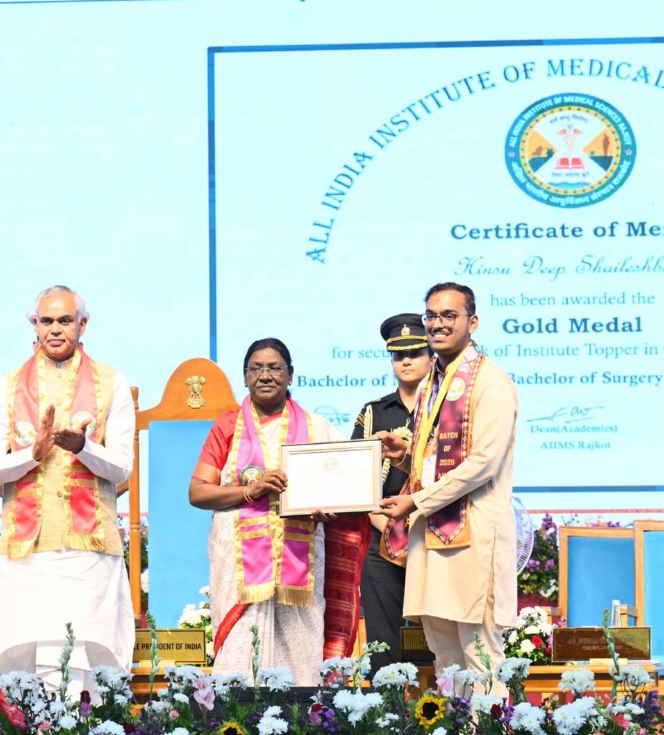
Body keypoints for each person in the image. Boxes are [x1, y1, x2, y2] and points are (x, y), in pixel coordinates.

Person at [0, 286, 134, 690]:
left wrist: (83, 447)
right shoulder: (9, 385)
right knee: (26, 666)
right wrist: (33, 454)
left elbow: (122, 467)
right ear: (35, 324)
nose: (56, 329)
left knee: (83, 660)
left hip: (88, 550)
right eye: (47, 321)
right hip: (26, 551)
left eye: (65, 320)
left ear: (83, 325)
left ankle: (81, 730)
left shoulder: (111, 382)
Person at [188, 338, 366, 681]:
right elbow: (197, 492)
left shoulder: (317, 427)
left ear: (290, 374)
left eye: (274, 367)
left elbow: (343, 484)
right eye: (256, 368)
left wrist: (329, 507)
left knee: (300, 649)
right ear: (245, 377)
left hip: (300, 558)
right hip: (239, 563)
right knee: (241, 649)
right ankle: (236, 709)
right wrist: (249, 491)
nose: (265, 375)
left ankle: (301, 710)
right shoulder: (227, 426)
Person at [378, 282, 519, 689]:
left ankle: (488, 731)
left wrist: (415, 501)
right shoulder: (431, 383)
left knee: (479, 652)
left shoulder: (490, 381)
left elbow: (483, 464)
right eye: (432, 316)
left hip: (474, 537)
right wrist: (404, 454)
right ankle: (456, 732)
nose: (438, 324)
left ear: (472, 322)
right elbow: (436, 457)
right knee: (445, 657)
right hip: (432, 536)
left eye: (449, 316)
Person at [349, 313, 431, 679]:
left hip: (434, 535)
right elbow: (356, 480)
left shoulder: (447, 411)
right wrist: (385, 527)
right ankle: (388, 708)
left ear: (432, 356)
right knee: (384, 644)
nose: (406, 361)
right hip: (382, 537)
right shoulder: (373, 413)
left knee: (441, 636)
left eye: (415, 352)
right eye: (399, 355)